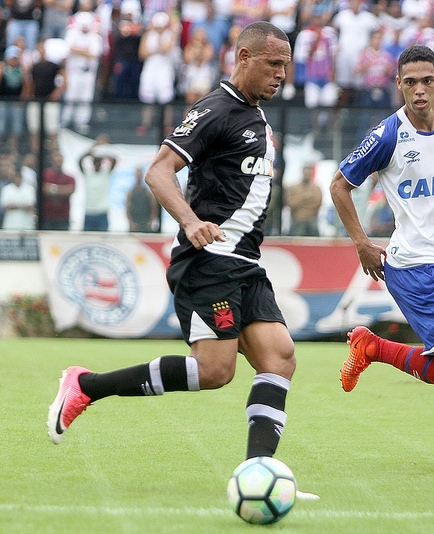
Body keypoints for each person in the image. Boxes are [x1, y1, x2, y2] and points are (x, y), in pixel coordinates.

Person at [47, 22, 296, 469]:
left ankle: (258, 472)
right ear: (244, 57)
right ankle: (86, 386)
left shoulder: (255, 116)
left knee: (279, 358)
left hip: (245, 263)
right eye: (273, 63)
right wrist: (191, 221)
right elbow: (159, 171)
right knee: (215, 371)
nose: (281, 74)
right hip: (211, 262)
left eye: (286, 65)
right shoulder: (216, 109)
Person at [329, 44, 434, 474]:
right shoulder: (387, 135)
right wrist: (362, 243)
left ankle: (372, 347)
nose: (419, 90)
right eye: (410, 83)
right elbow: (339, 185)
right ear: (398, 85)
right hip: (412, 264)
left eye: (426, 81)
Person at [0, 45, 31, 159]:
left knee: (16, 126)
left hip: (16, 102)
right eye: (12, 58)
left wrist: (22, 100)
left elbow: (26, 86)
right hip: (2, 100)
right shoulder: (2, 67)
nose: (14, 60)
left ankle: (13, 149)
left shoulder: (22, 68)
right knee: (0, 125)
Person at [79, 134, 117, 231]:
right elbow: (80, 161)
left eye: (99, 161)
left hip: (102, 212)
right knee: (87, 237)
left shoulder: (106, 174)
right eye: (95, 162)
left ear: (102, 162)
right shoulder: (88, 174)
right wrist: (94, 146)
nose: (97, 164)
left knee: (102, 238)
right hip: (89, 211)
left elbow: (114, 160)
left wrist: (104, 150)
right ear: (92, 163)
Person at [41, 149, 76, 230]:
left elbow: (70, 190)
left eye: (60, 156)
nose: (59, 159)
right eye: (56, 156)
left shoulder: (70, 178)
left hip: (63, 218)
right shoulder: (44, 174)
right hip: (46, 217)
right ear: (51, 159)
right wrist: (62, 189)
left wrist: (52, 188)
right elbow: (44, 189)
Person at [285, 164, 323, 236]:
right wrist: (304, 197)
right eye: (306, 172)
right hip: (297, 222)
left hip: (312, 222)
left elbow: (317, 204)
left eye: (309, 173)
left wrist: (299, 202)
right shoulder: (293, 187)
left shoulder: (317, 189)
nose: (307, 174)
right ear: (302, 172)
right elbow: (290, 203)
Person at [126, 167, 159, 232]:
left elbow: (154, 207)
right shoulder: (131, 192)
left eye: (140, 174)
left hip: (145, 223)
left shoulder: (147, 192)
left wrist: (151, 221)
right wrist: (131, 222)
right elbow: (127, 208)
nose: (138, 176)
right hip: (135, 224)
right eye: (137, 174)